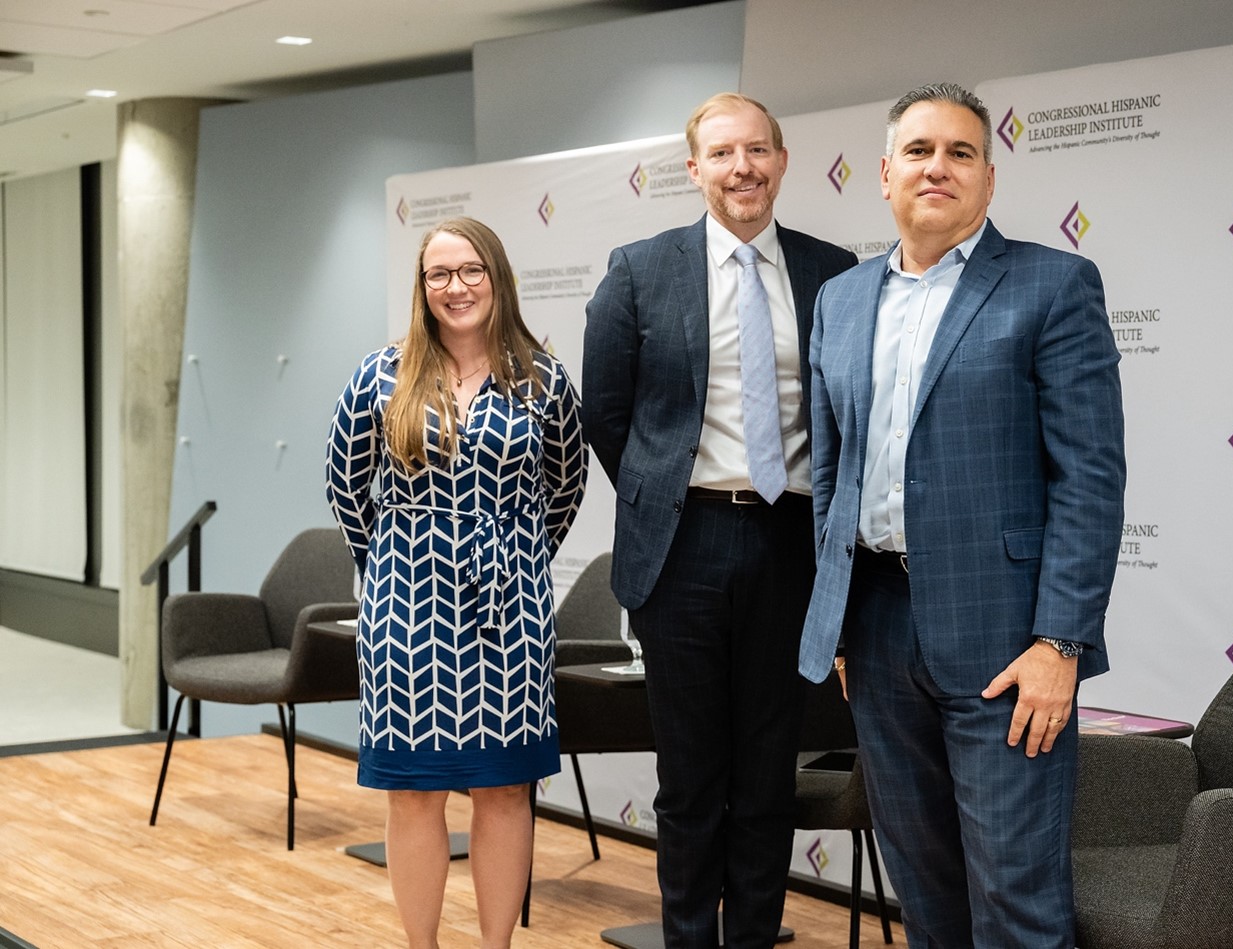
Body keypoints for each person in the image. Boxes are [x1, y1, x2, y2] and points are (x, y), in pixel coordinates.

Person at [799, 83, 1126, 948]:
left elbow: (1090, 478)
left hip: (1006, 640)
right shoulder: (841, 299)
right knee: (927, 892)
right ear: (884, 174)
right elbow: (833, 469)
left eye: (960, 153)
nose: (936, 167)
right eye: (918, 151)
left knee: (1016, 899)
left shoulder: (1053, 285)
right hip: (875, 629)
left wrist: (1063, 643)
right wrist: (835, 623)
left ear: (988, 177)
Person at [582, 93, 856, 948]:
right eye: (723, 153)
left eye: (758, 151)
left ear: (781, 159)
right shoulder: (639, 268)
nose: (743, 168)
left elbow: (848, 409)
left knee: (769, 772)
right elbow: (606, 412)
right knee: (692, 774)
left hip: (791, 544)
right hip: (683, 547)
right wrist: (663, 493)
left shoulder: (835, 271)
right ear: (695, 167)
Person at [325, 216, 586, 949]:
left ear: (496, 276)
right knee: (415, 794)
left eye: (470, 270)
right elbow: (346, 492)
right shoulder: (380, 375)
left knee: (504, 790)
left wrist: (513, 554)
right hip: (406, 613)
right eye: (439, 274)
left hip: (513, 618)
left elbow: (564, 490)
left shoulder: (543, 380)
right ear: (422, 287)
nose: (455, 286)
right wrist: (398, 566)